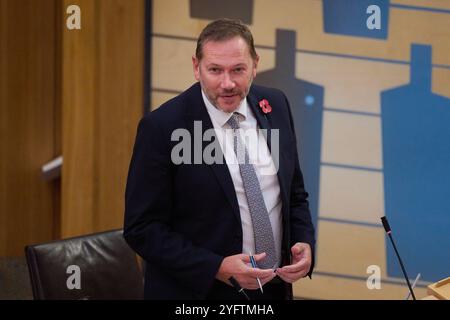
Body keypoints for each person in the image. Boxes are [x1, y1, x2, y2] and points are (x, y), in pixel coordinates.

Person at [124, 18, 315, 300]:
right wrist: (216, 266)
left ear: (255, 65)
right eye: (215, 70)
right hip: (200, 293)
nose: (227, 83)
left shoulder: (276, 105)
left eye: (238, 70)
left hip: (273, 289)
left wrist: (304, 242)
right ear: (196, 67)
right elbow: (142, 229)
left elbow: (295, 194)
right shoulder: (163, 127)